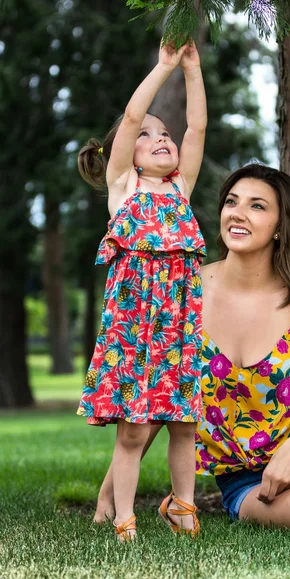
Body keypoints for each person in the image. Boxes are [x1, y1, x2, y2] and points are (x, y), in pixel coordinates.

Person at [94, 163, 290, 533]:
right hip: (246, 475)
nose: (238, 213)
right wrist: (109, 493)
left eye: (257, 206)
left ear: (279, 227)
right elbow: (160, 403)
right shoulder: (185, 291)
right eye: (232, 202)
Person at [76, 38, 207, 540]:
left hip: (178, 325)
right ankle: (123, 515)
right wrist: (163, 67)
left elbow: (196, 126)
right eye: (147, 135)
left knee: (184, 423)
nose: (160, 138)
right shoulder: (124, 188)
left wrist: (192, 71)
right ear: (123, 154)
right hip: (133, 328)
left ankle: (183, 507)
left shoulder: (180, 188)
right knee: (132, 429)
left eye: (164, 134)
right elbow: (132, 116)